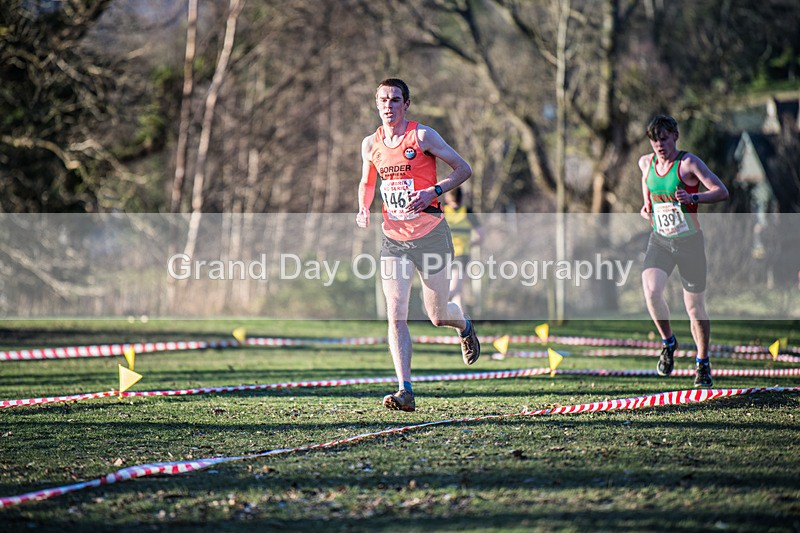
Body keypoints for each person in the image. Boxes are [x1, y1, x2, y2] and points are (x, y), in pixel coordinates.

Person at [356, 78, 480, 412]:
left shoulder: (422, 136)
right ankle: (405, 390)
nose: (388, 105)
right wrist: (364, 207)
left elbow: (463, 169)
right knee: (395, 315)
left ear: (406, 104)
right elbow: (367, 182)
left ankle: (464, 325)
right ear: (377, 103)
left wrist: (433, 192)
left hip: (432, 236)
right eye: (383, 99)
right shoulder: (371, 144)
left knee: (437, 315)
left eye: (395, 99)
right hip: (393, 240)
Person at [639, 115, 729, 388]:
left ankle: (702, 363)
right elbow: (647, 180)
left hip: (689, 243)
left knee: (694, 307)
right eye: (655, 141)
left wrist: (694, 197)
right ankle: (668, 342)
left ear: (675, 136)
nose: (659, 145)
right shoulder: (646, 162)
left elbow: (721, 190)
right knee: (652, 290)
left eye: (664, 139)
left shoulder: (689, 164)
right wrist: (646, 205)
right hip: (661, 241)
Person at [443, 188, 484, 309]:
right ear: (461, 197)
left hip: (443, 255)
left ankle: (462, 326)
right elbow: (481, 237)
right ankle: (462, 326)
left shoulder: (442, 212)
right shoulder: (468, 212)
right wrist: (469, 244)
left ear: (447, 198)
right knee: (457, 291)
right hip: (461, 254)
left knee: (456, 291)